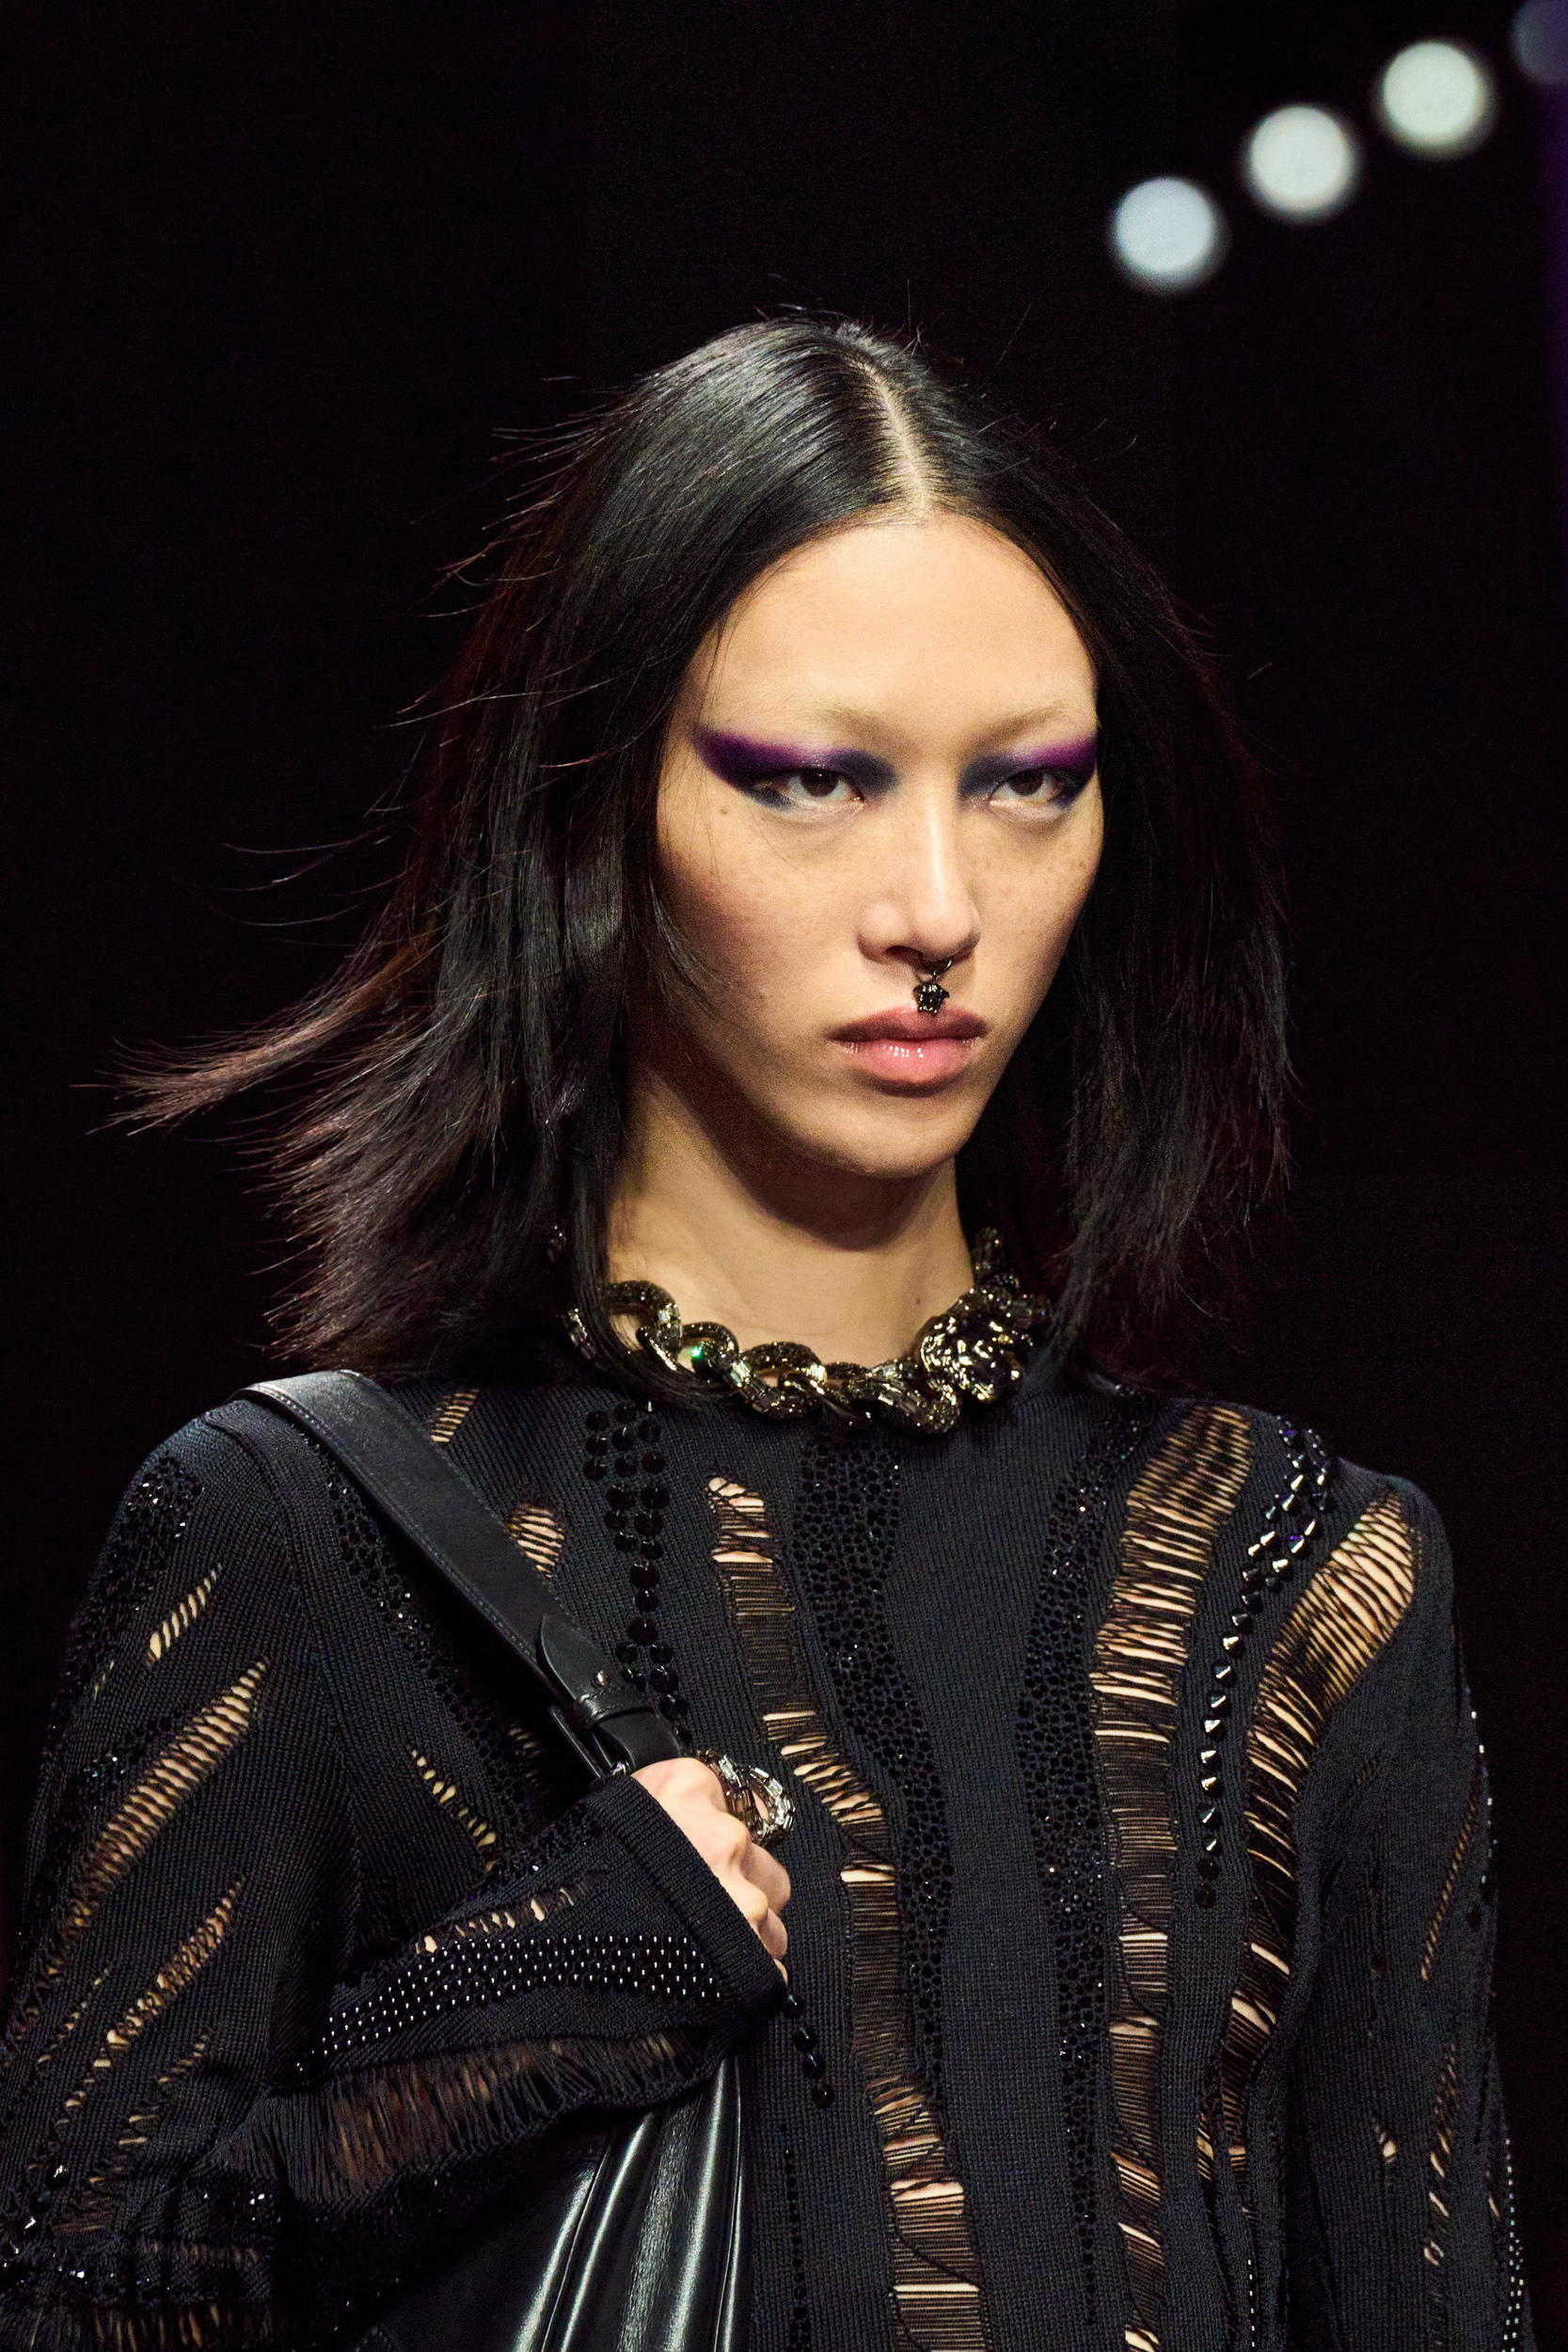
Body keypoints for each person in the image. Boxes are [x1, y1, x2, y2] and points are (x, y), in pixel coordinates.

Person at [0, 318, 1529, 2352]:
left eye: (1030, 786)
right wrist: (523, 2003)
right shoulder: (312, 1536)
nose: (937, 906)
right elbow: (74, 2291)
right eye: (812, 781)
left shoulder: (1298, 1573)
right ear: (590, 815)